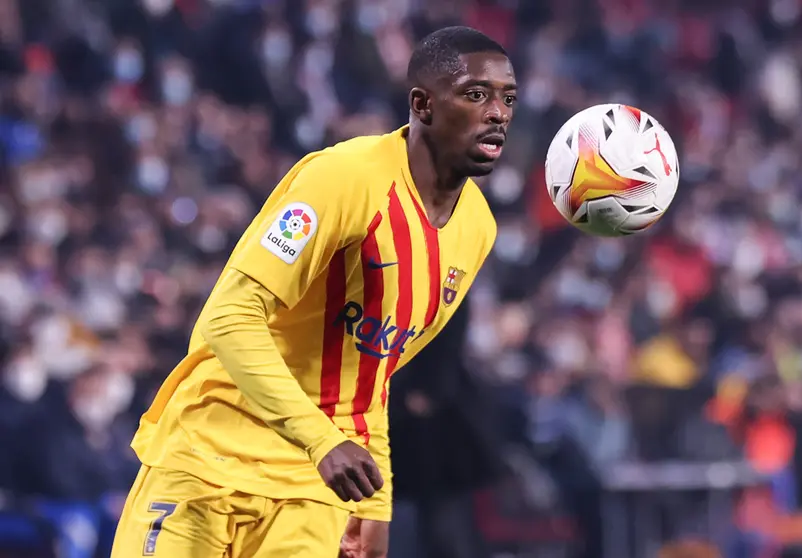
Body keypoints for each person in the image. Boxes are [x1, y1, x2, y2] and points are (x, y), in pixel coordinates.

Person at [109, 25, 516, 558]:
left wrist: (374, 503)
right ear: (422, 105)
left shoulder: (477, 231)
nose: (498, 112)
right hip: (208, 462)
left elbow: (374, 372)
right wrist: (322, 440)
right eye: (476, 94)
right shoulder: (342, 178)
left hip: (311, 494)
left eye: (508, 97)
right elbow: (229, 318)